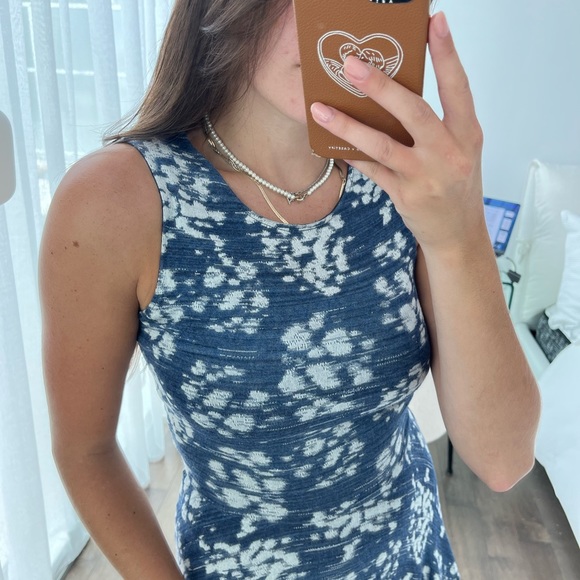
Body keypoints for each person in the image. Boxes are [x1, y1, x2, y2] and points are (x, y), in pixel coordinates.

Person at [39, 1, 541, 578]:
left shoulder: (406, 175)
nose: (338, 15)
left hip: (417, 561)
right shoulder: (115, 201)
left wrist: (460, 233)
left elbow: (504, 459)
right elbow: (85, 450)